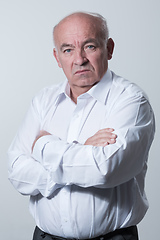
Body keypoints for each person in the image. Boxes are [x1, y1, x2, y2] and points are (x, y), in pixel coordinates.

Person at [8, 12, 155, 240]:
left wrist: (43, 147)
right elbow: (17, 172)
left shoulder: (131, 100)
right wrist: (83, 149)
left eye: (89, 47)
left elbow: (105, 169)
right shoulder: (43, 101)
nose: (79, 59)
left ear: (109, 48)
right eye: (68, 50)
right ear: (57, 58)